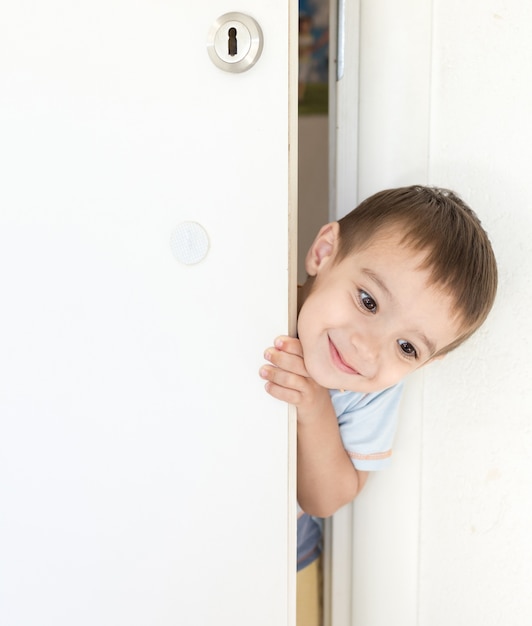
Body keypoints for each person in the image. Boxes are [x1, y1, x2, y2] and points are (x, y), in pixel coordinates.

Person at [259, 185, 498, 576]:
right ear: (324, 254)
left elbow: (325, 500)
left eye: (406, 347)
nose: (367, 350)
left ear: (424, 364)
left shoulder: (374, 393)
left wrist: (316, 407)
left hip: (279, 553)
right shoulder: (257, 299)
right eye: (368, 301)